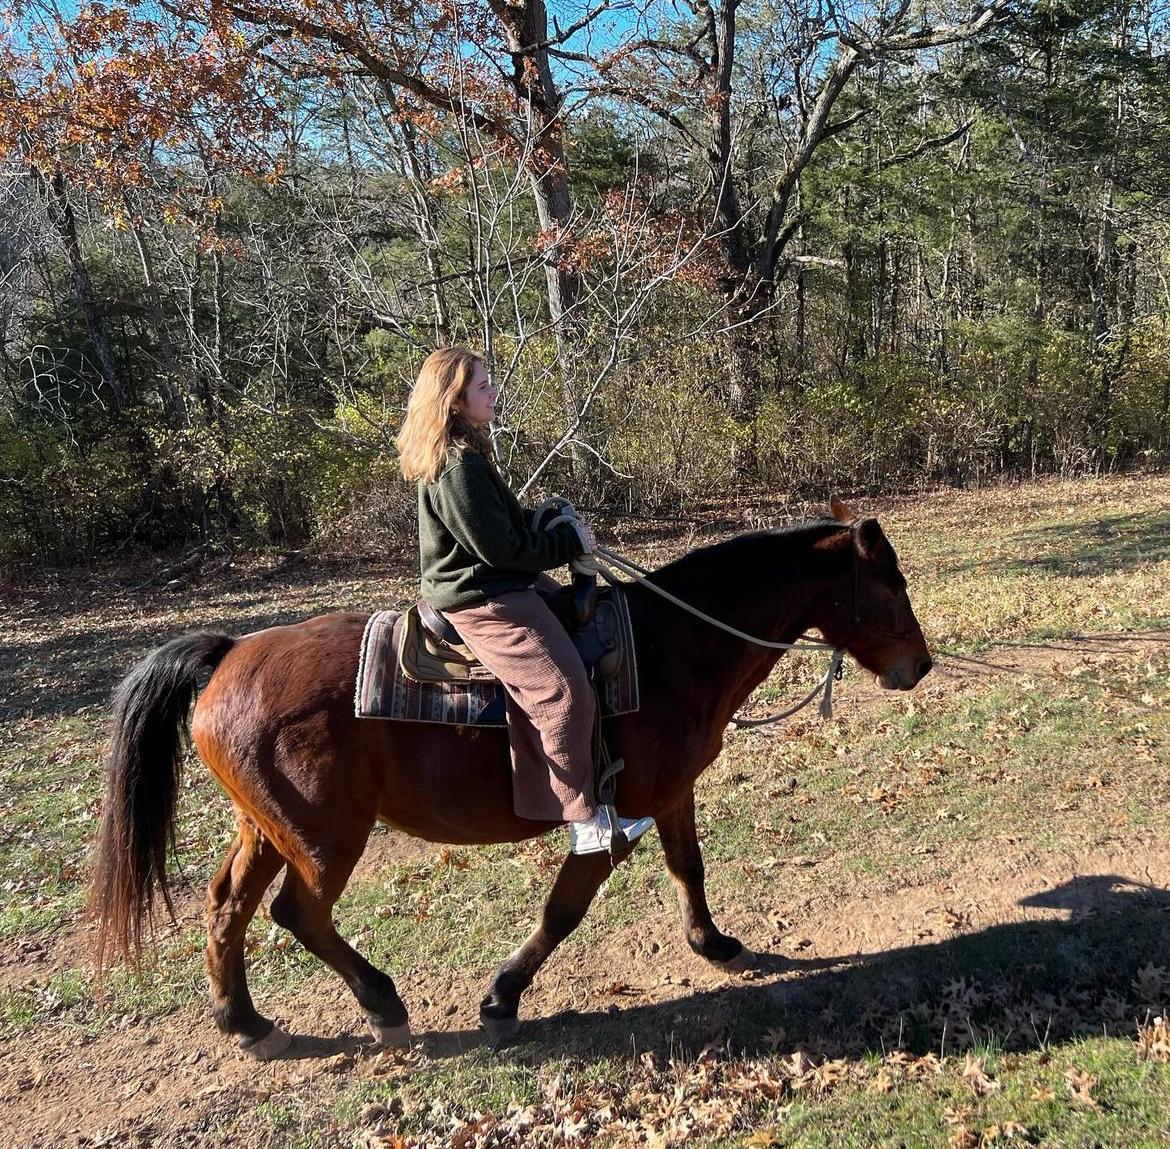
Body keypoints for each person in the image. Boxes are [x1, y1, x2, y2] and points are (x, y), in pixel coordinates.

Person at [395, 346, 654, 855]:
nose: (493, 392)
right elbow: (503, 550)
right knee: (563, 691)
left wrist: (545, 519)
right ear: (454, 400)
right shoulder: (458, 468)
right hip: (483, 598)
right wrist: (567, 543)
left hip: (499, 583)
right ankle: (583, 821)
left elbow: (500, 526)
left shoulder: (464, 455)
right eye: (482, 386)